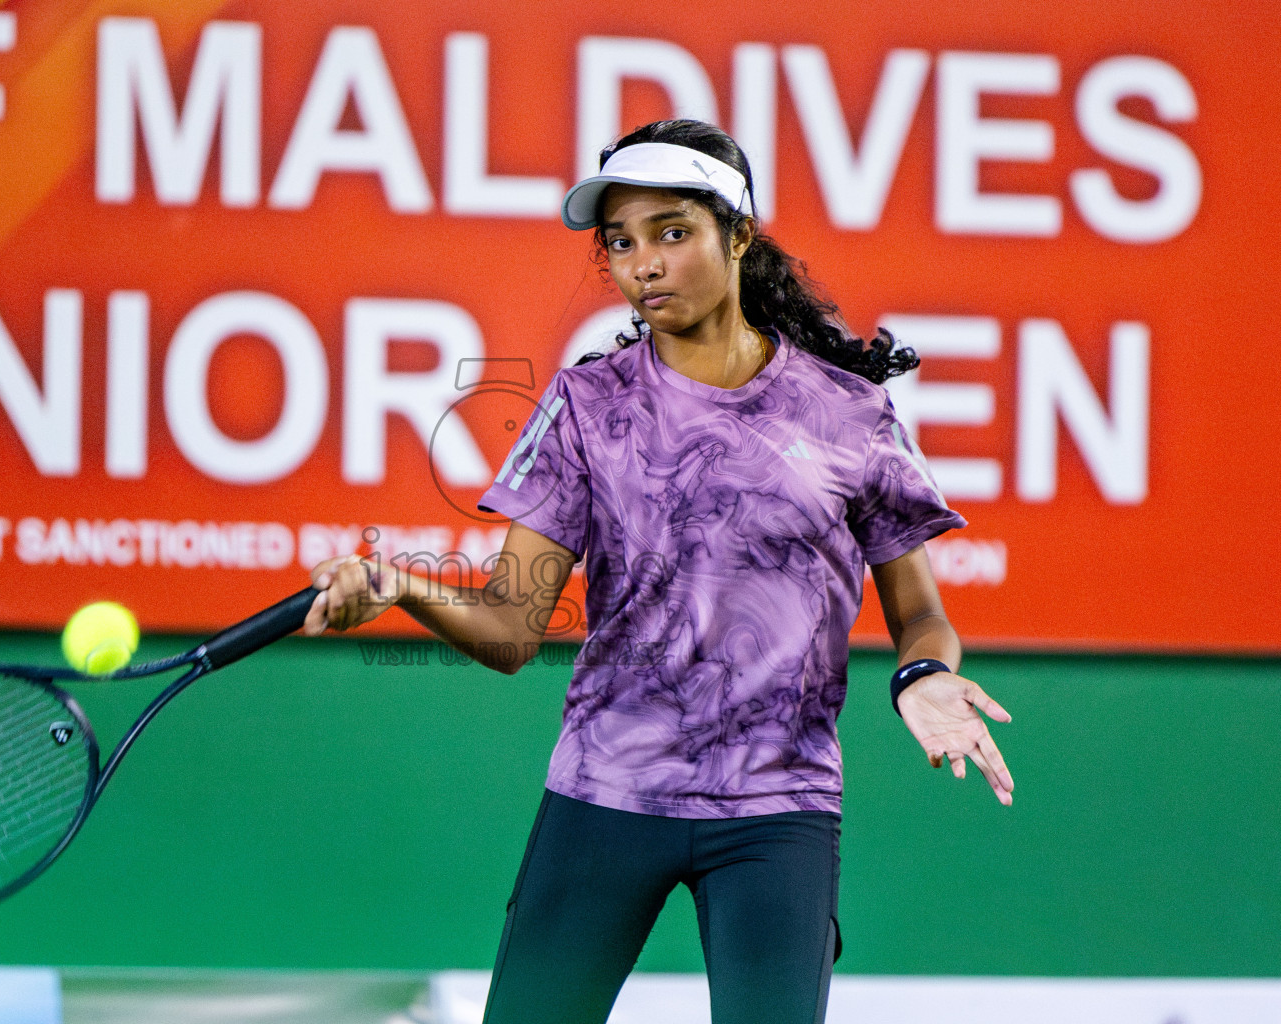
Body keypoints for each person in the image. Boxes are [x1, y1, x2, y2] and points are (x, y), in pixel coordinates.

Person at [301, 118, 1014, 1024]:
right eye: (621, 243)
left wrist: (923, 675)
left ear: (739, 235)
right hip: (607, 788)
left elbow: (920, 613)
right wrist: (399, 582)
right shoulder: (585, 406)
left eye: (672, 232)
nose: (643, 264)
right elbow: (514, 631)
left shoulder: (848, 414)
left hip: (776, 805)